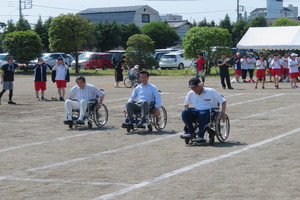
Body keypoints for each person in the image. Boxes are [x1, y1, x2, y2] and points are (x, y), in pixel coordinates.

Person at [180, 78, 227, 143]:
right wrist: (187, 118)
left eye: (195, 87)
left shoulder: (211, 91)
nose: (193, 89)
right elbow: (186, 105)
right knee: (185, 112)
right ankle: (190, 132)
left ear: (200, 85)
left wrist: (222, 113)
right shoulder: (191, 93)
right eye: (192, 88)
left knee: (203, 114)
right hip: (197, 110)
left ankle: (201, 135)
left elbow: (223, 101)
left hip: (210, 110)